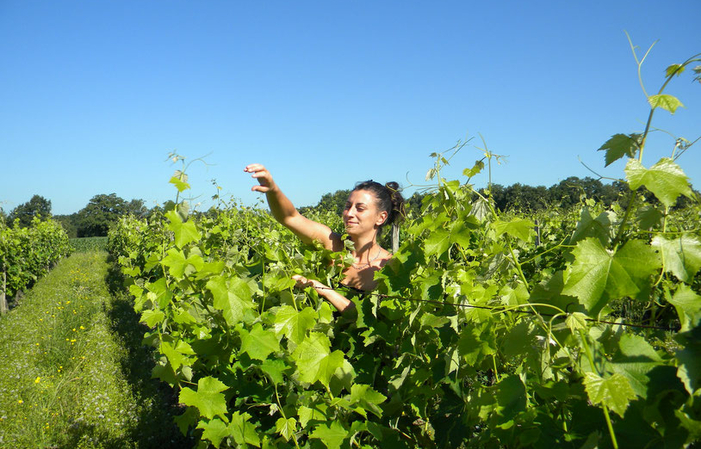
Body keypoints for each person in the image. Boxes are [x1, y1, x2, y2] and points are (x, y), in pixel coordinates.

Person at [244, 163, 405, 312]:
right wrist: (273, 189)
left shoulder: (389, 267)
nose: (349, 213)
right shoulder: (331, 243)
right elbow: (290, 217)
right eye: (348, 206)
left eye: (360, 208)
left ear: (381, 217)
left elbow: (370, 319)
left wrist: (324, 291)